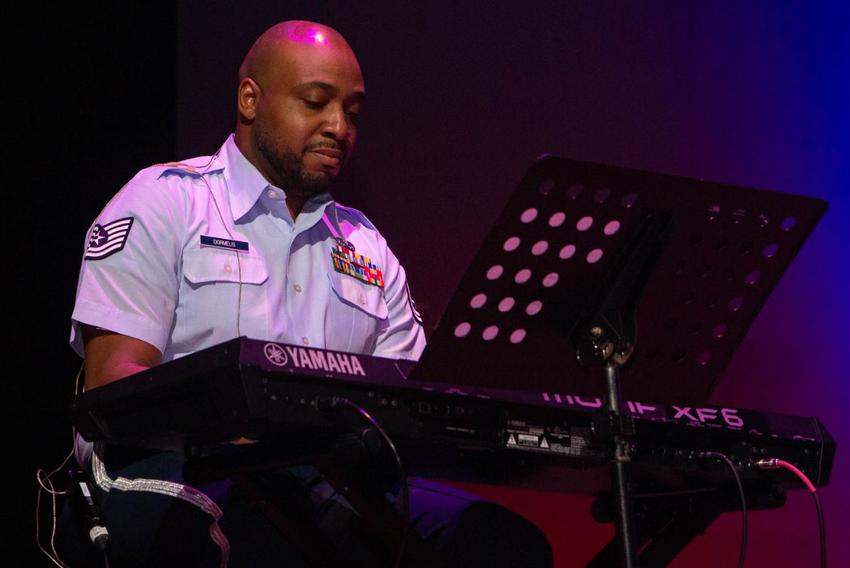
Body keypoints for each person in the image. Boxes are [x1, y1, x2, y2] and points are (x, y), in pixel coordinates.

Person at [63, 20, 552, 567]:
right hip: (169, 470)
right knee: (259, 530)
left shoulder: (366, 245)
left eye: (353, 112)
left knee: (498, 542)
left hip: (321, 479)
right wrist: (250, 423)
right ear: (250, 99)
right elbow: (114, 385)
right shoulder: (165, 201)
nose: (338, 126)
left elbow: (411, 398)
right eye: (316, 102)